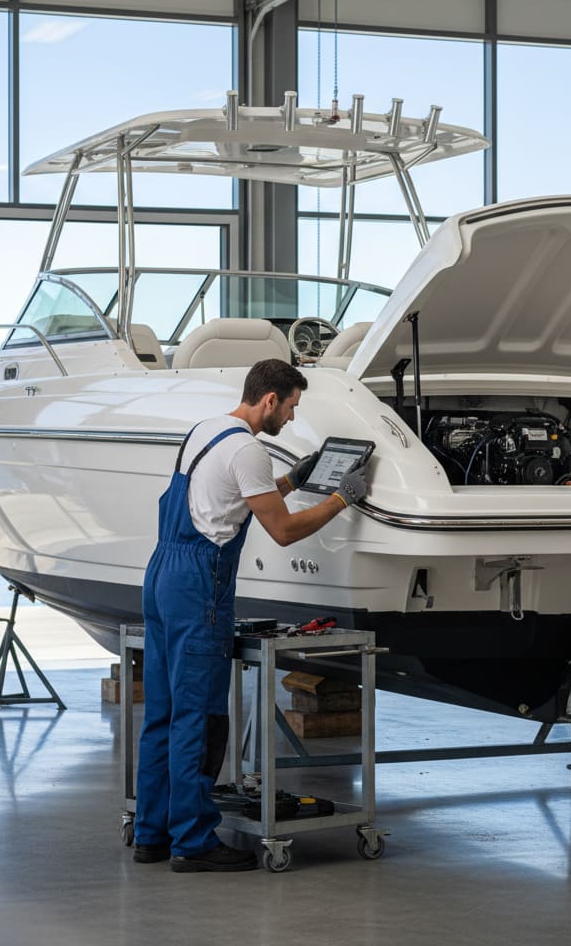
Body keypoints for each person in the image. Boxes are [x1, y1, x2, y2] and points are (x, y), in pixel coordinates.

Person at [133, 358, 369, 872]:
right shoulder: (249, 448)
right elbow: (281, 531)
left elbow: (229, 501)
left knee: (163, 714)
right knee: (199, 718)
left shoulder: (205, 431)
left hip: (160, 576)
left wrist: (292, 480)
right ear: (269, 401)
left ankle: (151, 834)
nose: (290, 416)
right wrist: (339, 498)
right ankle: (192, 844)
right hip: (199, 587)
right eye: (290, 407)